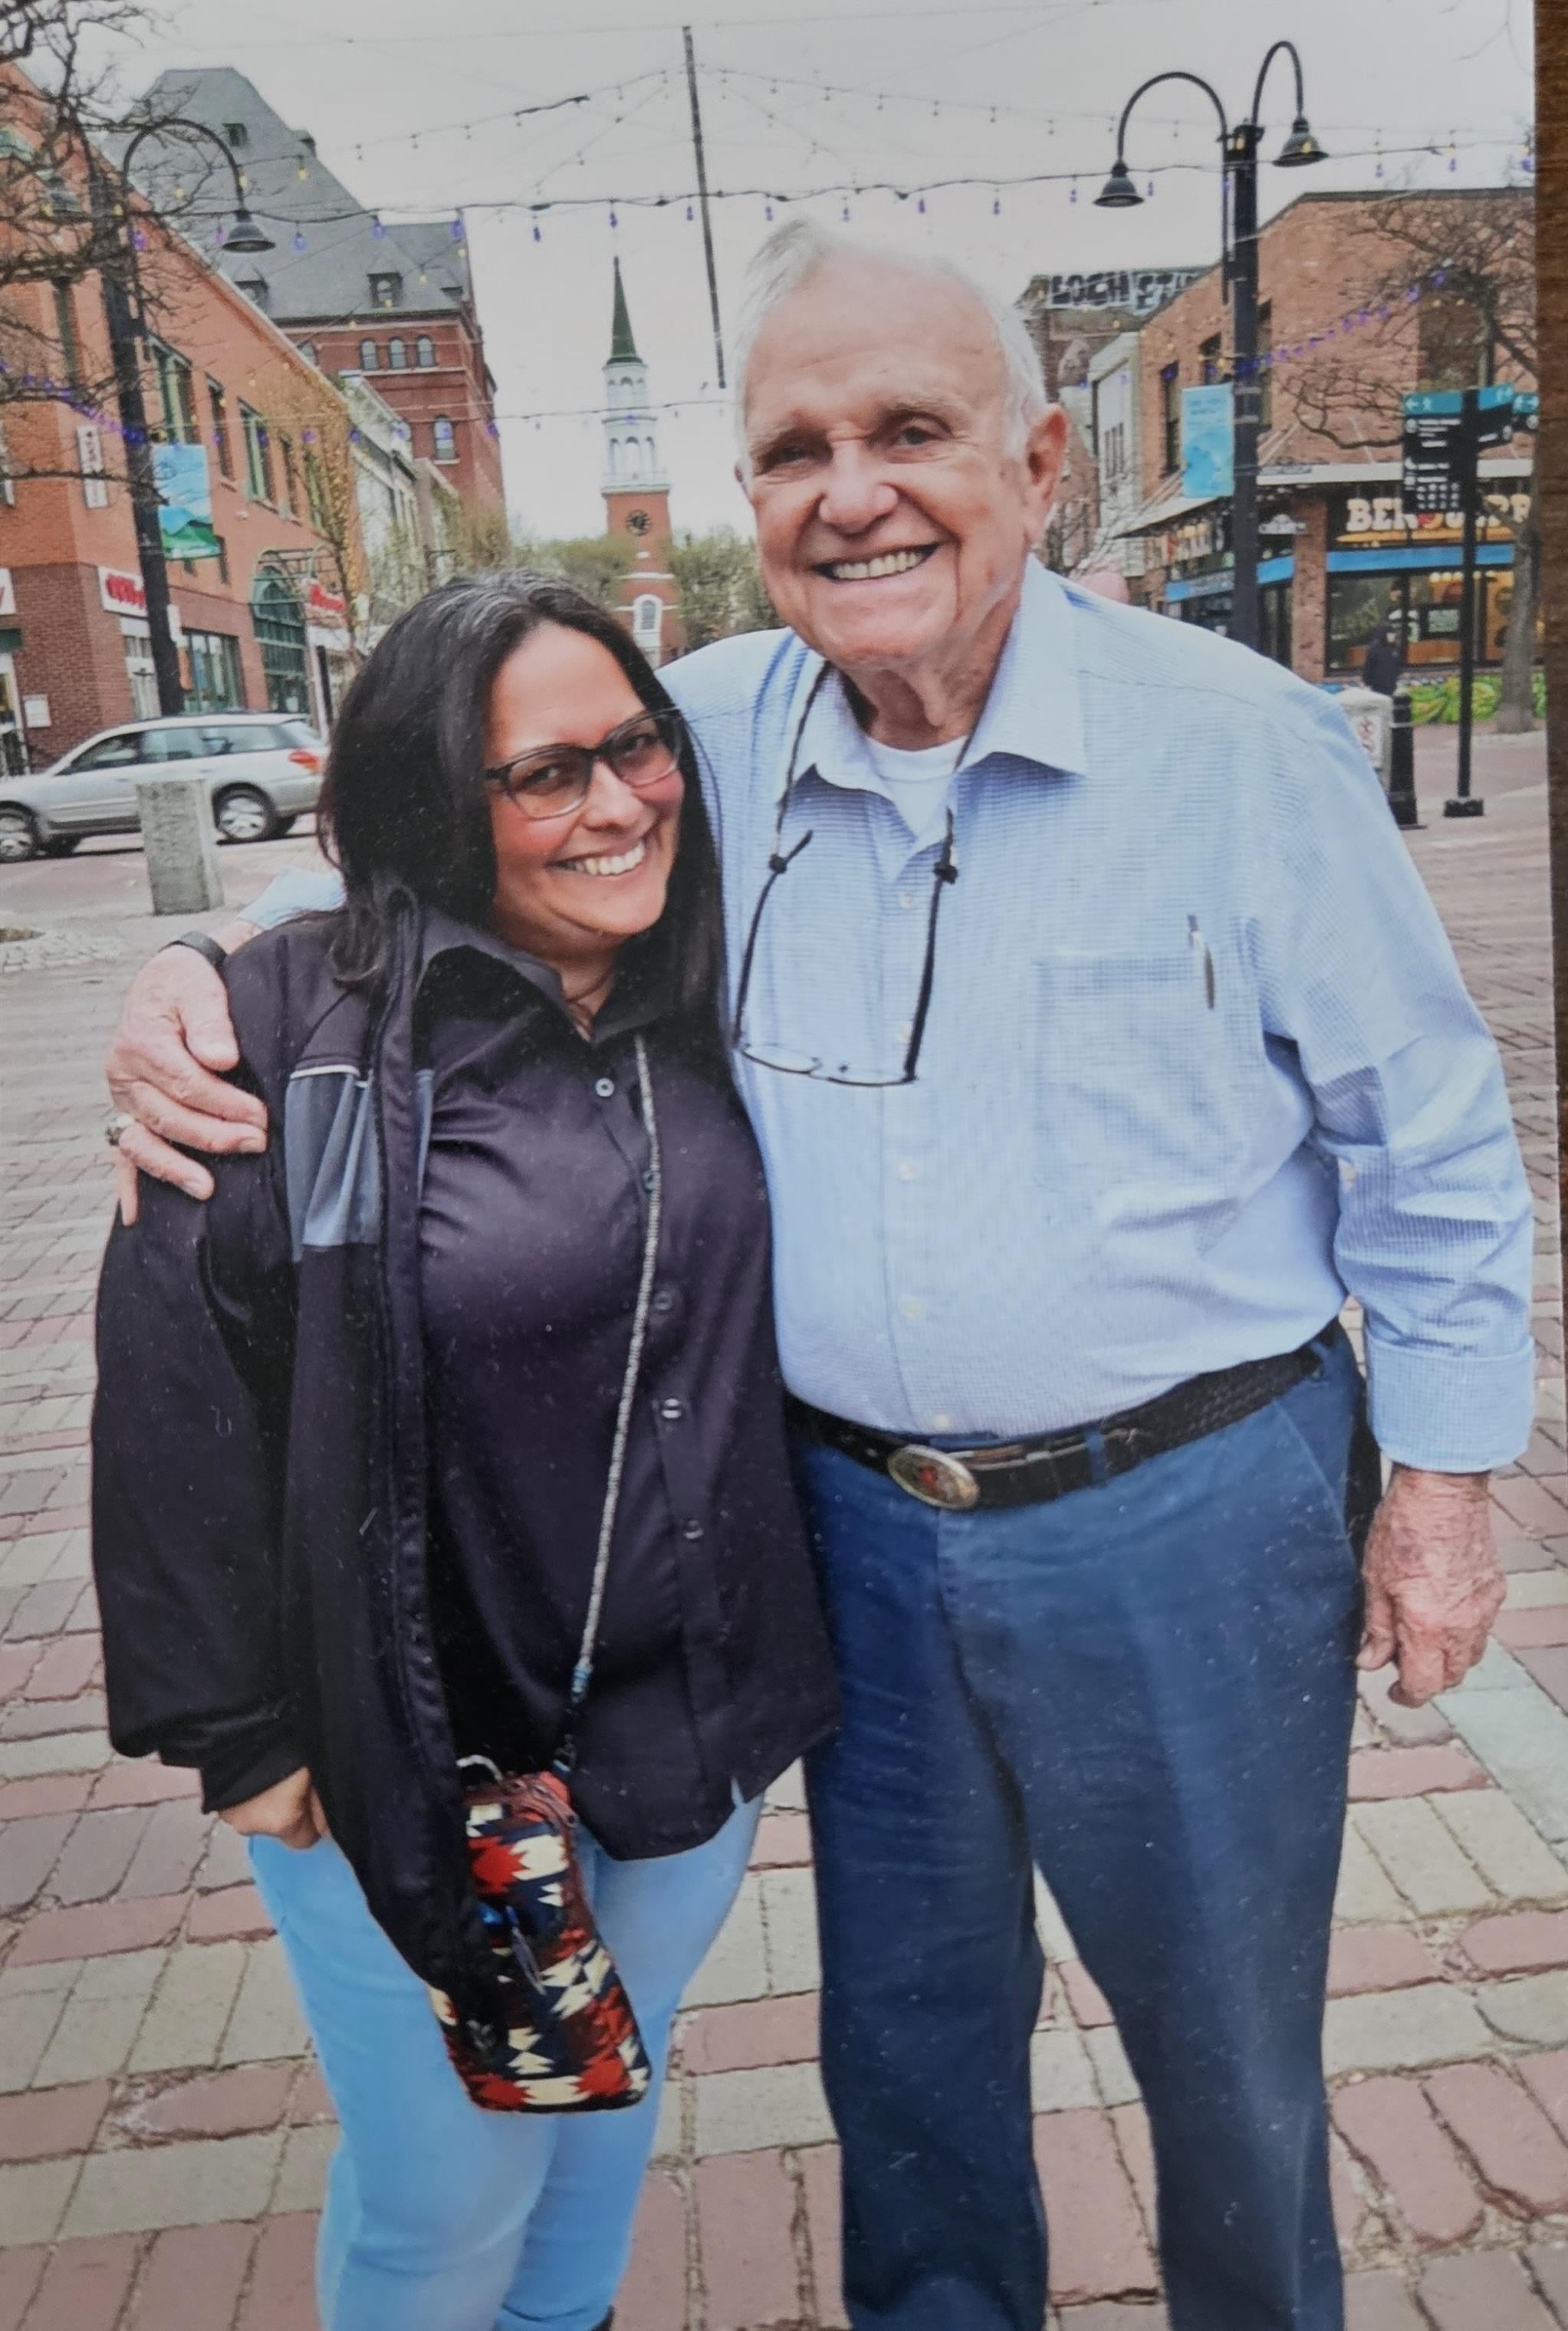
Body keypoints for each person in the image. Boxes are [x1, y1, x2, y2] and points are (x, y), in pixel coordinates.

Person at [104, 224, 1533, 2331]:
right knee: (906, 2060)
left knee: (1226, 2056)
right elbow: (428, 841)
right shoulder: (697, 741)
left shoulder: (1241, 751)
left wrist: (1440, 1486)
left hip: (1188, 1516)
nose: (849, 490)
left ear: (1040, 459)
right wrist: (189, 978)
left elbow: (1424, 1139)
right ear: (746, 506)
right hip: (842, 1528)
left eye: (906, 432)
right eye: (793, 449)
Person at [91, 574, 837, 2331]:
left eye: (636, 748)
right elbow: (175, 1382)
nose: (615, 802)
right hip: (397, 1763)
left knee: (593, 2133)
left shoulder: (707, 982)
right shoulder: (287, 1032)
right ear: (438, 799)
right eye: (545, 773)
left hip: (686, 1735)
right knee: (449, 2193)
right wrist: (245, 1734)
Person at [1362, 616, 1405, 695]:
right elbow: (1369, 667)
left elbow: (1399, 664)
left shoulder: (1394, 648)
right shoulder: (1376, 649)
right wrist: (1367, 681)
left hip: (1390, 684)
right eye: (1390, 634)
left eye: (1393, 634)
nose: (1392, 636)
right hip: (1378, 685)